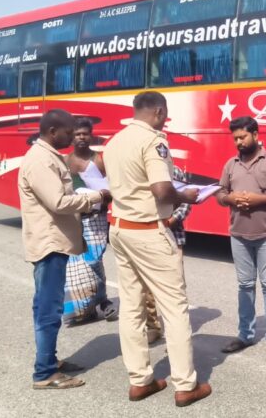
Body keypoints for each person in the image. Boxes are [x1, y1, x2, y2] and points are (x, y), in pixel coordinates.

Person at [103, 91, 211, 406]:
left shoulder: (115, 141)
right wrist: (187, 196)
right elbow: (163, 191)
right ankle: (185, 385)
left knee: (131, 307)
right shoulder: (153, 141)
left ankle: (140, 380)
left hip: (120, 229)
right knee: (174, 308)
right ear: (159, 111)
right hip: (148, 231)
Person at [18, 109, 109, 390]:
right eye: (68, 132)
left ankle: (49, 360)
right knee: (49, 308)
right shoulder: (41, 161)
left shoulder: (48, 156)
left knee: (47, 306)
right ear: (53, 131)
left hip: (53, 241)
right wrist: (96, 196)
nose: (72, 137)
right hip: (49, 245)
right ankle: (44, 373)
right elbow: (58, 202)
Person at [216, 116, 266, 357]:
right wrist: (230, 198)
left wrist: (258, 200)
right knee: (245, 285)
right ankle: (245, 335)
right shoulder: (231, 165)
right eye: (235, 138)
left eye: (243, 137)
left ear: (256, 135)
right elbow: (220, 193)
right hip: (238, 235)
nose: (239, 142)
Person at [63, 118, 117, 325]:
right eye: (77, 134)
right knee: (77, 265)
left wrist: (103, 198)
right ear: (71, 137)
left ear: (91, 136)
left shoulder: (99, 161)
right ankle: (89, 307)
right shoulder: (65, 161)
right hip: (74, 219)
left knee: (93, 260)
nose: (81, 137)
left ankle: (101, 300)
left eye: (85, 134)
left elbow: (113, 188)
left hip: (96, 218)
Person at [144, 165, 193, 344]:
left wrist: (170, 221)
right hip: (147, 233)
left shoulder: (176, 171)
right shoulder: (143, 170)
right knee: (147, 287)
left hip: (173, 234)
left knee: (175, 286)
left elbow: (186, 202)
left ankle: (176, 333)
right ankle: (152, 327)